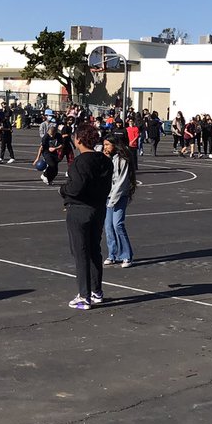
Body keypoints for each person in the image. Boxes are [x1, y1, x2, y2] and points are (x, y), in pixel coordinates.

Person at [62, 124, 113, 308]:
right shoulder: (106, 160)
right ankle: (96, 290)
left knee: (80, 251)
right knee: (93, 250)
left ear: (79, 140)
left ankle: (84, 295)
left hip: (80, 209)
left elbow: (76, 188)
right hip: (98, 209)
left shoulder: (80, 162)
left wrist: (64, 190)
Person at [102, 133, 137, 268]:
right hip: (108, 196)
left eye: (107, 145)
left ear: (114, 145)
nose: (104, 147)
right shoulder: (106, 158)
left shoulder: (123, 160)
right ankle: (113, 254)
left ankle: (127, 256)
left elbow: (122, 181)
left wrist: (113, 198)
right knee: (108, 226)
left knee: (118, 224)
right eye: (104, 144)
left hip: (119, 196)